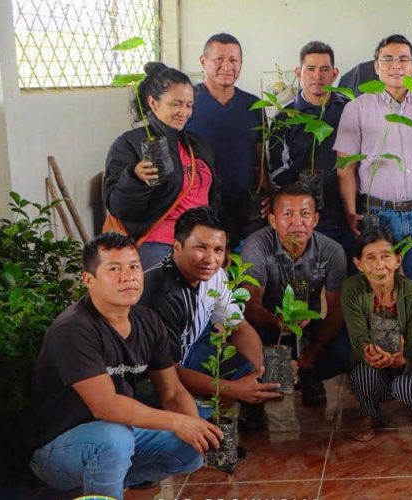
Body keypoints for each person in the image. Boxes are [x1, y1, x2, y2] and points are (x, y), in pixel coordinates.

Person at [23, 233, 219, 499]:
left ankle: (109, 480)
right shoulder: (73, 329)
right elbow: (106, 405)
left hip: (116, 434)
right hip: (56, 448)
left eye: (134, 267)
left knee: (190, 445)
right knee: (114, 439)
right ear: (89, 280)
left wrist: (192, 426)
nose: (128, 276)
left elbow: (172, 392)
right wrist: (177, 421)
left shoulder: (147, 320)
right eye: (114, 268)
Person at [139, 207, 281, 431]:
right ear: (177, 247)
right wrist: (233, 389)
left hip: (184, 358)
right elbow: (168, 373)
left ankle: (214, 420)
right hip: (149, 379)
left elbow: (238, 326)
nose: (210, 259)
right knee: (203, 411)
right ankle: (201, 425)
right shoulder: (161, 293)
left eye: (218, 250)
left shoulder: (214, 274)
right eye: (200, 248)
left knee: (248, 360)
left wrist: (262, 370)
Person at [335, 34, 412, 285]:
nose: (396, 65)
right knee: (379, 288)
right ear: (376, 67)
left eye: (404, 59)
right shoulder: (357, 108)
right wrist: (350, 211)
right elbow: (345, 169)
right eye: (388, 59)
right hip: (377, 214)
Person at [240, 185, 351, 408]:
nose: (297, 222)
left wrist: (316, 347)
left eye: (305, 214)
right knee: (243, 337)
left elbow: (336, 309)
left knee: (343, 349)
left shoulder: (331, 250)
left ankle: (312, 377)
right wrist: (277, 321)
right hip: (267, 321)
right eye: (288, 214)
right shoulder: (256, 246)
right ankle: (254, 401)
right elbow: (251, 304)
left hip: (308, 323)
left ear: (316, 219)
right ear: (272, 220)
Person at [103, 62, 217, 270]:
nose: (183, 112)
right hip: (160, 241)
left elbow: (211, 198)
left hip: (203, 241)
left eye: (189, 105)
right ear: (153, 103)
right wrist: (135, 178)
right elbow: (120, 208)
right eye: (176, 104)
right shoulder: (130, 144)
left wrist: (219, 242)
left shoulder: (197, 144)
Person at [341, 226, 412, 441]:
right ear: (358, 264)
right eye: (370, 258)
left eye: (386, 256)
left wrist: (401, 358)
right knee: (362, 375)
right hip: (374, 364)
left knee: (406, 386)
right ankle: (370, 412)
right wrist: (369, 353)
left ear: (398, 260)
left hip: (407, 366)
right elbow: (358, 338)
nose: (379, 265)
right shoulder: (351, 289)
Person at [271, 41, 355, 260]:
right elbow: (276, 170)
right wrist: (301, 190)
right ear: (299, 72)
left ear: (335, 74)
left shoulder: (349, 111)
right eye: (310, 69)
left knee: (342, 278)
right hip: (302, 220)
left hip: (346, 215)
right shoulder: (285, 118)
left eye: (325, 69)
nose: (317, 75)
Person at [185, 33, 265, 243]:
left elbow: (260, 160)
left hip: (245, 207)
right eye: (219, 59)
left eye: (233, 60)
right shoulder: (188, 102)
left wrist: (267, 193)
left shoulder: (254, 105)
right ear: (203, 61)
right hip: (199, 206)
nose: (227, 66)